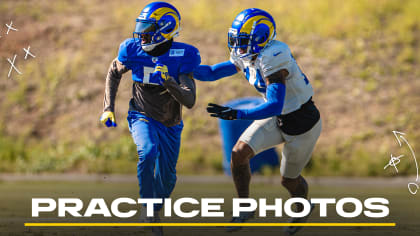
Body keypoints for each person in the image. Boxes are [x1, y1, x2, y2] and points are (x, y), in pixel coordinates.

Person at [194, 8, 321, 235]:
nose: (237, 47)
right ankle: (245, 208)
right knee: (239, 153)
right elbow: (212, 72)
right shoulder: (248, 55)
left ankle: (302, 206)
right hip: (278, 117)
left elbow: (275, 104)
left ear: (261, 38)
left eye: (242, 41)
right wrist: (182, 70)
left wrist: (238, 114)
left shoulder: (273, 56)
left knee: (288, 181)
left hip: (302, 122)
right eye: (235, 41)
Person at [100, 2, 201, 235]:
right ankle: (147, 210)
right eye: (141, 28)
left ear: (166, 28)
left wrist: (169, 81)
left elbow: (190, 100)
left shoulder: (184, 54)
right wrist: (108, 107)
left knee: (167, 179)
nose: (141, 35)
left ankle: (154, 212)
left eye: (148, 29)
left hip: (171, 124)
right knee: (148, 151)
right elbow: (114, 71)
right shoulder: (132, 49)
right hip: (141, 114)